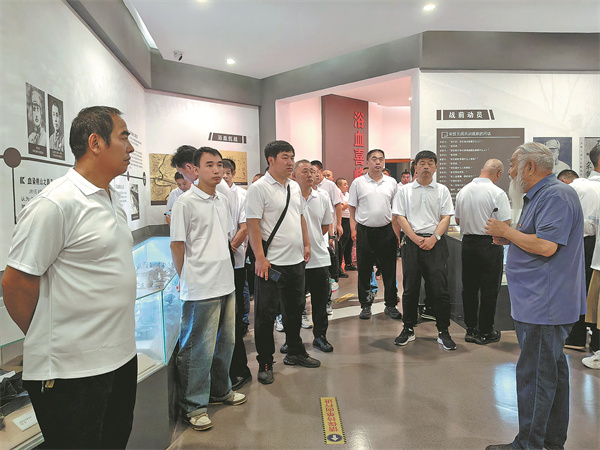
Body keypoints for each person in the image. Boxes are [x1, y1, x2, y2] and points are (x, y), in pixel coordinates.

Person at [2, 106, 137, 448]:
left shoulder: (110, 198)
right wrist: (50, 337)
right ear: (96, 143)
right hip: (71, 373)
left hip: (120, 358)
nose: (131, 147)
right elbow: (15, 284)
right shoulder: (56, 203)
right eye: (123, 137)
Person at [485, 142, 586, 450]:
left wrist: (507, 231)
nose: (510, 172)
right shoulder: (543, 196)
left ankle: (528, 445)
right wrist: (511, 238)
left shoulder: (555, 195)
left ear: (529, 167)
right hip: (540, 301)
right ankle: (550, 442)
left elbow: (546, 246)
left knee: (536, 377)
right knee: (550, 373)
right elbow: (539, 238)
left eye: (513, 165)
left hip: (545, 303)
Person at [170, 147, 246, 432]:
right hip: (200, 287)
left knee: (225, 343)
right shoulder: (185, 203)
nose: (216, 170)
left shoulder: (222, 199)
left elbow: (224, 238)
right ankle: (193, 406)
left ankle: (220, 391)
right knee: (197, 349)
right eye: (209, 165)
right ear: (195, 169)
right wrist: (186, 277)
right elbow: (177, 245)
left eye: (219, 164)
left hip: (225, 281)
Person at [246, 140, 319, 385]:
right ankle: (265, 362)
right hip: (271, 264)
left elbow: (300, 216)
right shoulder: (258, 188)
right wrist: (260, 258)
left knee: (295, 310)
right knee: (265, 316)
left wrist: (306, 243)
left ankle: (295, 351)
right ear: (271, 160)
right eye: (286, 157)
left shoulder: (294, 187)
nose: (291, 162)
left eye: (292, 157)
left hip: (295, 261)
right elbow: (253, 225)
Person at [393, 150, 456, 350]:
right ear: (415, 167)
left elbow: (446, 217)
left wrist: (434, 238)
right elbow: (399, 217)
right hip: (412, 243)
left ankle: (443, 331)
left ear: (435, 167)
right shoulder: (404, 191)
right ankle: (408, 327)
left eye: (430, 163)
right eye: (422, 163)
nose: (426, 166)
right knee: (410, 288)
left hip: (435, 243)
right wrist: (413, 238)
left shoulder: (442, 190)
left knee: (440, 289)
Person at [455, 159, 511, 344]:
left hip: (468, 243)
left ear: (482, 170)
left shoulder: (463, 191)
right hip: (490, 243)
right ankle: (486, 331)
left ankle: (471, 329)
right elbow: (505, 223)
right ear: (498, 174)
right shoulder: (497, 192)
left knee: (469, 288)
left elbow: (457, 219)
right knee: (489, 289)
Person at [348, 149, 402, 320]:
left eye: (381, 159)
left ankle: (391, 305)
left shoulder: (391, 182)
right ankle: (365, 305)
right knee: (364, 270)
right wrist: (353, 229)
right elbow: (352, 208)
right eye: (374, 159)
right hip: (365, 231)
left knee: (389, 270)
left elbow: (396, 209)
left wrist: (396, 232)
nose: (378, 162)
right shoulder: (358, 183)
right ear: (367, 162)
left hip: (386, 231)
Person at [292, 160, 334, 352]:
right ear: (294, 175)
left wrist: (312, 239)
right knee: (294, 302)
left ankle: (320, 336)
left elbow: (324, 225)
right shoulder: (288, 196)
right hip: (293, 258)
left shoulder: (322, 196)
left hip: (318, 257)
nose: (310, 175)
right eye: (305, 171)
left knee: (320, 301)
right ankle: (292, 340)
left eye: (312, 171)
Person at [557, 169, 600, 352]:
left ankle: (576, 337)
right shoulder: (590, 187)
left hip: (580, 243)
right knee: (592, 294)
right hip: (591, 243)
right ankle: (593, 341)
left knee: (578, 291)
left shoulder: (576, 187)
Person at [222, 158, 252, 390]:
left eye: (225, 172)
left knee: (237, 302)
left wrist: (230, 249)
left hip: (236, 258)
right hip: (220, 264)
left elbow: (245, 226)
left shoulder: (241, 195)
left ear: (232, 173)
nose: (221, 176)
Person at [336, 177, 356, 271]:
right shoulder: (337, 194)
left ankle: (349, 263)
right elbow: (342, 207)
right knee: (342, 243)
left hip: (349, 219)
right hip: (342, 220)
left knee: (349, 242)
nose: (347, 186)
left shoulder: (348, 194)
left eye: (347, 184)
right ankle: (339, 265)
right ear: (338, 186)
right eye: (344, 184)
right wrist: (349, 202)